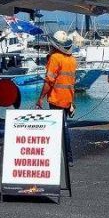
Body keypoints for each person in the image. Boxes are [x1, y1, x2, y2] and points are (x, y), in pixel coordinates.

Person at [35, 30, 77, 166]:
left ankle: (64, 158)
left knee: (59, 129)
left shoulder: (55, 58)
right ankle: (67, 157)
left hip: (57, 98)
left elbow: (49, 81)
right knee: (63, 127)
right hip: (68, 98)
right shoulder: (72, 59)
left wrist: (40, 98)